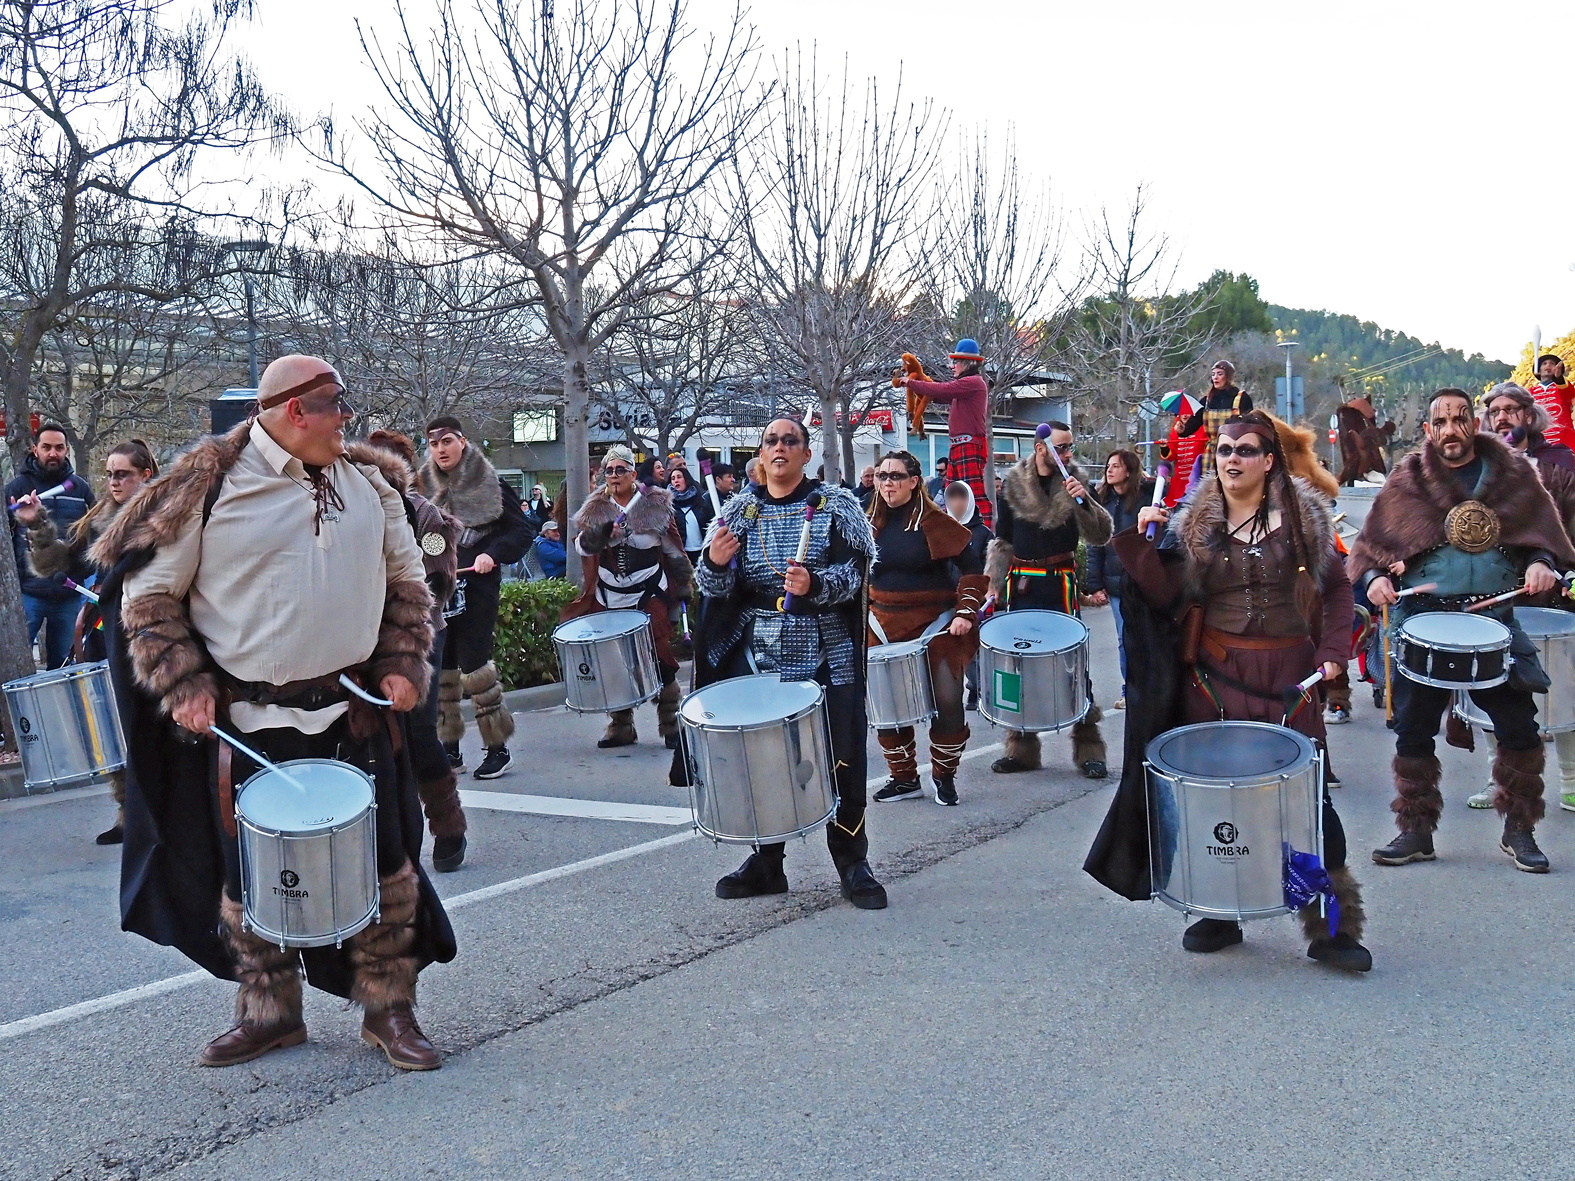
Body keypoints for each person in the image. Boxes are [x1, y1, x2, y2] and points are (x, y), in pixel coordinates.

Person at [94, 354, 456, 1069]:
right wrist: (185, 685)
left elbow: (408, 584)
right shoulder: (209, 487)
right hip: (250, 725)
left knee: (387, 867)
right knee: (249, 877)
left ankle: (390, 1008)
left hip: (356, 714)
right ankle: (269, 1011)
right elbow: (147, 600)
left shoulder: (370, 483)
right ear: (295, 409)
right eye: (335, 405)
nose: (346, 418)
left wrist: (401, 662)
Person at [1091, 409, 1371, 971]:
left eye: (1246, 449)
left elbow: (1339, 591)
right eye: (1223, 450)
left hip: (1290, 680)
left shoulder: (1306, 520)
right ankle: (1222, 909)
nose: (1233, 458)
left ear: (1270, 461)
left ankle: (1331, 928)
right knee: (1217, 800)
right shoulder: (1191, 524)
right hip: (1213, 680)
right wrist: (1140, 541)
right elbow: (1163, 599)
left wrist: (1334, 653)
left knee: (1308, 805)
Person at [1352, 389, 1575, 873]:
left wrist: (1540, 564)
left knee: (1519, 727)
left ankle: (1519, 828)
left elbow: (1542, 543)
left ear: (1475, 424)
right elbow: (1369, 554)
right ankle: (1415, 830)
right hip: (1422, 621)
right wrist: (1374, 583)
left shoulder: (1515, 476)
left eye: (1460, 419)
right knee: (1412, 730)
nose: (1451, 429)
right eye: (1441, 422)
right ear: (1428, 430)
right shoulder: (1407, 480)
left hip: (1492, 622)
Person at [685, 416, 886, 908]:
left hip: (825, 650)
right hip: (757, 650)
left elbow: (856, 575)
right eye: (771, 441)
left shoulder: (837, 508)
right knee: (761, 757)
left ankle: (851, 860)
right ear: (761, 452)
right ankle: (766, 862)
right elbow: (714, 592)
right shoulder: (737, 513)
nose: (779, 448)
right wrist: (713, 563)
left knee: (839, 754)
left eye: (789, 441)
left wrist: (814, 585)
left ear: (805, 453)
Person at [16, 439, 156, 844]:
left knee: (153, 726)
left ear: (145, 475)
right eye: (110, 474)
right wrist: (37, 525)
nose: (114, 482)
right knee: (112, 721)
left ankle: (160, 815)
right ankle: (128, 813)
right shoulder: (97, 520)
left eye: (123, 474)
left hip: (152, 634)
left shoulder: (165, 516)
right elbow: (55, 564)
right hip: (104, 632)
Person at [1460, 385, 1575, 811]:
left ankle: (1571, 779)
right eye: (1495, 411)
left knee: (1562, 690)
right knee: (1493, 691)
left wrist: (1565, 571)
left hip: (1554, 595)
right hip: (1493, 595)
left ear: (1530, 415)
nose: (1503, 417)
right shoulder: (1478, 468)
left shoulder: (1562, 464)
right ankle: (1499, 780)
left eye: (1512, 410)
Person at [363, 430, 468, 873]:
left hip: (421, 634)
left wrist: (401, 595)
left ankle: (448, 823)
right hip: (364, 637)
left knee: (420, 730)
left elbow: (440, 577)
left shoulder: (428, 518)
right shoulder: (351, 509)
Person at [987, 421, 1113, 778]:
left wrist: (1084, 502)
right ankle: (1021, 748)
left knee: (1074, 665)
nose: (1067, 454)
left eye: (1070, 446)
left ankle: (1089, 748)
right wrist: (993, 586)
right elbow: (1003, 541)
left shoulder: (1077, 483)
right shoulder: (1013, 484)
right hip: (1022, 583)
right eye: (1060, 447)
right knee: (1020, 663)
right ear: (1041, 448)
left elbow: (1100, 535)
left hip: (1060, 583)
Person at [866, 451, 990, 806]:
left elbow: (972, 571)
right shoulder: (863, 521)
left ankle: (943, 775)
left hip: (937, 623)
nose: (887, 483)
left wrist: (965, 612)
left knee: (949, 701)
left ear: (913, 481)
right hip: (881, 622)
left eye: (895, 476)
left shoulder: (937, 522)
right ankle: (904, 779)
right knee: (886, 707)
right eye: (882, 476)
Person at [419, 417, 533, 780]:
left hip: (477, 588)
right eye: (434, 443)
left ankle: (498, 747)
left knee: (474, 665)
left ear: (463, 442)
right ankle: (448, 746)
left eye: (448, 441)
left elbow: (521, 531)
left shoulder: (492, 483)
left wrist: (493, 553)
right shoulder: (423, 488)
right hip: (437, 587)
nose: (441, 449)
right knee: (442, 669)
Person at [564, 445, 692, 749]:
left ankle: (671, 722)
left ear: (634, 474)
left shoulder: (654, 504)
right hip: (609, 596)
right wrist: (604, 533)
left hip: (650, 593)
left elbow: (673, 549)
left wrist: (684, 582)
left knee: (661, 658)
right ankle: (621, 725)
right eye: (609, 471)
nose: (614, 475)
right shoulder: (596, 508)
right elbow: (583, 548)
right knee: (614, 663)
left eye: (621, 469)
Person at [6, 422, 96, 668]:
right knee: (18, 662)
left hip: (68, 592)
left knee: (63, 664)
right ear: (35, 449)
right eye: (46, 447)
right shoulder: (17, 488)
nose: (53, 453)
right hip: (29, 593)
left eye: (59, 447)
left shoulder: (80, 489)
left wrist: (84, 573)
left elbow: (96, 534)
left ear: (67, 450)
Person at [895, 339, 993, 527]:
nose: (953, 366)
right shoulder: (967, 385)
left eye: (956, 362)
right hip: (960, 445)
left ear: (967, 363)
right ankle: (954, 531)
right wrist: (919, 383)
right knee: (952, 493)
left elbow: (942, 390)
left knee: (974, 493)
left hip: (968, 445)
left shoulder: (973, 382)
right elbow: (939, 394)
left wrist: (911, 382)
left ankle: (986, 532)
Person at [1084, 450, 1153, 711]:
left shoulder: (1146, 499)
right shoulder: (1103, 503)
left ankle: (1151, 685)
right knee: (1125, 638)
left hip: (1144, 582)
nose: (1110, 470)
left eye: (1117, 466)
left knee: (1148, 636)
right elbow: (1094, 543)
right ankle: (1130, 689)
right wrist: (1094, 584)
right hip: (1116, 586)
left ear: (1130, 470)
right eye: (1108, 465)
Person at [1177, 360, 1253, 478]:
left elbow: (1250, 427)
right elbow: (1192, 426)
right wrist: (1182, 430)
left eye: (1220, 374)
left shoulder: (1241, 398)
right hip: (1212, 454)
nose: (1215, 377)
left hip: (1235, 452)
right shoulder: (1206, 401)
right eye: (1213, 374)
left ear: (1228, 376)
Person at [667, 465, 714, 566]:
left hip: (702, 551)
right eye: (673, 478)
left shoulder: (701, 502)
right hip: (681, 555)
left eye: (679, 477)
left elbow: (711, 525)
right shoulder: (668, 505)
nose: (676, 481)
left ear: (686, 480)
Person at [1528, 353, 1574, 452]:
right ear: (1538, 370)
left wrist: (1558, 379)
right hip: (1539, 443)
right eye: (1544, 363)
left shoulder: (1564, 386)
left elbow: (1568, 394)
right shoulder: (1529, 393)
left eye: (1552, 364)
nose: (1548, 366)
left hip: (1564, 441)